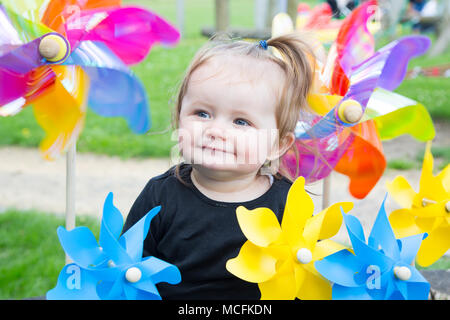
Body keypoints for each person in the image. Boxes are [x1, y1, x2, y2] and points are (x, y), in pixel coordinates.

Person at [122, 32, 316, 300]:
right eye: (202, 114)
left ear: (277, 144)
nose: (215, 130)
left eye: (240, 122)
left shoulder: (289, 203)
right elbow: (126, 270)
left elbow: (304, 277)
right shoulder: (160, 196)